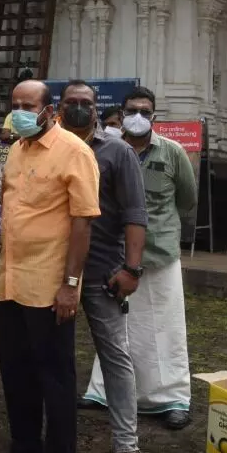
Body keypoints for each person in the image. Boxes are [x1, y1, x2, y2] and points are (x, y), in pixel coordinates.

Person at [0, 79, 100, 453]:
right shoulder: (16, 150)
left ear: (49, 109)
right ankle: (26, 450)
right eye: (14, 103)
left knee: (56, 377)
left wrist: (71, 285)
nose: (19, 111)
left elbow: (82, 224)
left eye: (28, 104)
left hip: (51, 286)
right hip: (11, 281)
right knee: (14, 369)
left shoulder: (75, 152)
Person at [55, 82, 153, 453]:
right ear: (59, 107)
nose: (79, 108)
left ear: (98, 109)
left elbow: (135, 213)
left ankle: (127, 451)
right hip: (51, 276)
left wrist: (131, 269)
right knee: (53, 362)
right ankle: (51, 446)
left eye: (86, 103)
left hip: (102, 276)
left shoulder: (118, 152)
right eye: (71, 103)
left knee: (116, 358)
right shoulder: (47, 146)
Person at [86, 86, 197, 429]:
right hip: (116, 255)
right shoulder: (108, 151)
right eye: (132, 110)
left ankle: (172, 397)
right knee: (118, 327)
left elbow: (186, 199)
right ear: (120, 114)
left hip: (160, 254)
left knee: (165, 329)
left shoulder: (173, 152)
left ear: (154, 117)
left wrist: (157, 227)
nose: (138, 117)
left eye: (145, 112)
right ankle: (104, 391)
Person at [0, 68, 37, 143]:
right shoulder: (11, 116)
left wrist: (12, 135)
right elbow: (3, 137)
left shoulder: (35, 117)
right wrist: (19, 136)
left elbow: (32, 136)